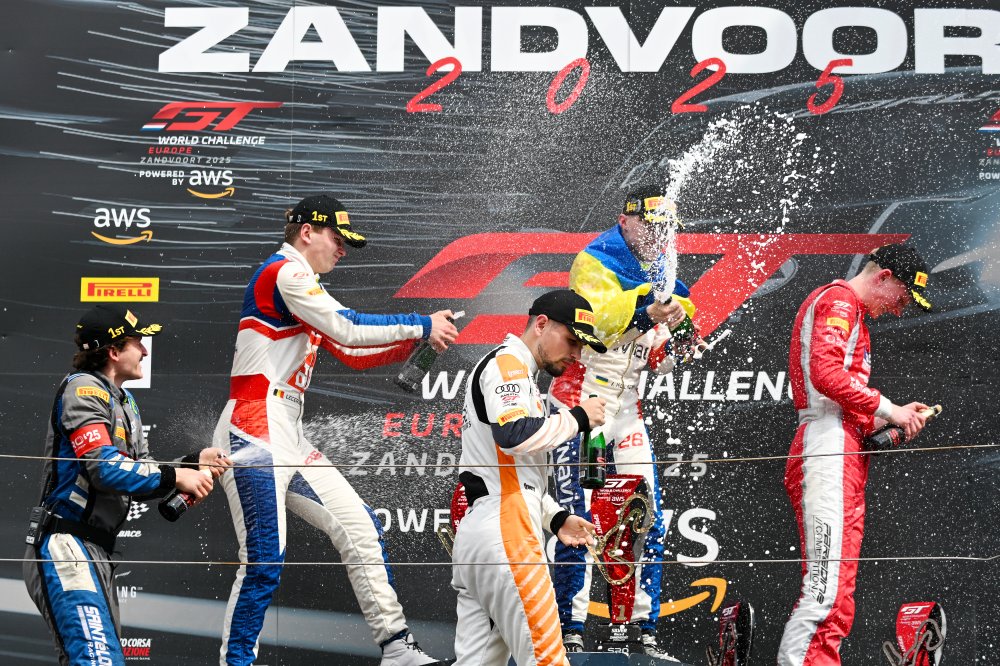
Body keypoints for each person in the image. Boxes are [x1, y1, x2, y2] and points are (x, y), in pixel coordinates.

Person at [215, 194, 458, 666]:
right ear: (307, 232)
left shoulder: (302, 286)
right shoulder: (286, 272)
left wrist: (418, 342)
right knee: (263, 559)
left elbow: (352, 353)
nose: (342, 249)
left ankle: (397, 648)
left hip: (287, 430)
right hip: (254, 426)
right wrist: (420, 324)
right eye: (337, 238)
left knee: (361, 527)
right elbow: (347, 329)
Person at [23, 304, 229, 666]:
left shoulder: (126, 401)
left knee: (102, 659)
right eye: (138, 342)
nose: (146, 351)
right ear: (114, 351)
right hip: (65, 544)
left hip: (94, 551)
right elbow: (104, 469)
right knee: (97, 659)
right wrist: (175, 476)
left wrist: (192, 463)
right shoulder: (84, 389)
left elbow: (139, 475)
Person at [548, 184, 699, 658]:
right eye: (650, 227)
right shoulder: (595, 259)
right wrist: (649, 311)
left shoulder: (660, 263)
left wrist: (677, 339)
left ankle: (639, 629)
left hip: (628, 410)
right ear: (625, 221)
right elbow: (600, 326)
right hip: (582, 409)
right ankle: (569, 629)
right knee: (579, 519)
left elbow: (668, 342)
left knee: (645, 514)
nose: (658, 237)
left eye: (666, 229)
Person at [777, 243, 934, 666]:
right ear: (883, 276)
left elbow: (840, 393)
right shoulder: (840, 300)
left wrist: (884, 423)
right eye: (903, 297)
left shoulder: (854, 313)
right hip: (826, 447)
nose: (899, 310)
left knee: (838, 592)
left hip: (843, 447)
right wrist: (890, 409)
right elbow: (825, 375)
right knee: (825, 592)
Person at [452, 289, 607, 666]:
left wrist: (556, 518)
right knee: (547, 660)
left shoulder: (516, 373)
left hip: (485, 533)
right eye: (572, 340)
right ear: (541, 324)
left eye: (581, 346)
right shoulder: (508, 364)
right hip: (506, 533)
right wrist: (579, 418)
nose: (576, 354)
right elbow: (514, 435)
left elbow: (515, 475)